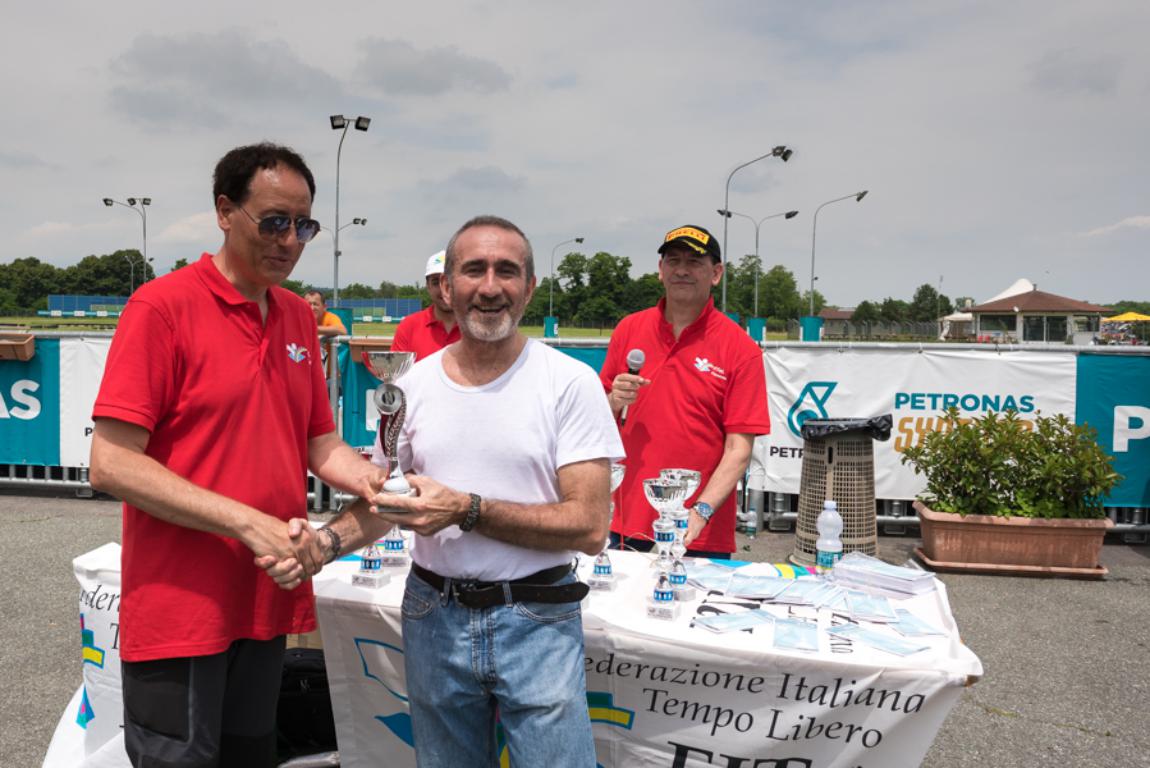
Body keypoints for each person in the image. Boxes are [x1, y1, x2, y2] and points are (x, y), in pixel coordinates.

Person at [272, 215, 623, 767]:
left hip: (536, 616)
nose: (490, 287)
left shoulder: (569, 383)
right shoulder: (410, 386)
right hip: (434, 613)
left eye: (507, 271)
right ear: (447, 287)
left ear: (530, 288)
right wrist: (325, 542)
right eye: (474, 270)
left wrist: (467, 510)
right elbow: (388, 501)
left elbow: (589, 527)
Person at [89, 142, 387, 768]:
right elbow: (111, 462)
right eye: (273, 222)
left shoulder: (298, 317)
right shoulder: (162, 307)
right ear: (225, 212)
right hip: (182, 608)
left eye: (303, 225)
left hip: (264, 598)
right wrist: (249, 523)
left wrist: (373, 480)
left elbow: (319, 442)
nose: (290, 241)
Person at [600, 224, 770, 559]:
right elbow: (595, 419)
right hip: (627, 520)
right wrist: (613, 401)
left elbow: (738, 449)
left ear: (716, 273)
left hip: (696, 529)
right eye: (673, 260)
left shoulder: (741, 348)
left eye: (694, 262)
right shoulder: (628, 329)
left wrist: (701, 511)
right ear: (660, 270)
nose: (681, 270)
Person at [390, 249, 460, 359]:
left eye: (450, 281)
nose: (444, 289)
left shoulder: (477, 327)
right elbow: (397, 369)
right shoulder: (409, 327)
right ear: (428, 286)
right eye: (436, 282)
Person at [304, 289, 346, 379]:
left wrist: (314, 329)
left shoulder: (330, 317)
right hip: (305, 373)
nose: (312, 308)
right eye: (308, 304)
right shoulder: (299, 318)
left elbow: (342, 330)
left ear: (324, 307)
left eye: (315, 304)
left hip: (330, 376)